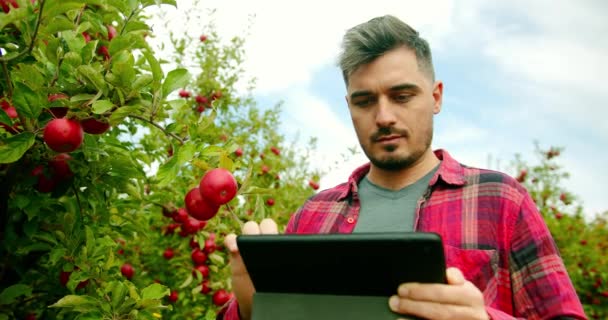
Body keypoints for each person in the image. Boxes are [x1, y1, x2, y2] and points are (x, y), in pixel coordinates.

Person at [221, 15, 586, 320]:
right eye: (365, 102)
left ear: (436, 97)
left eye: (402, 96)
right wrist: (253, 307)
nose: (383, 117)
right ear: (349, 106)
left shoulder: (500, 200)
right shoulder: (312, 215)